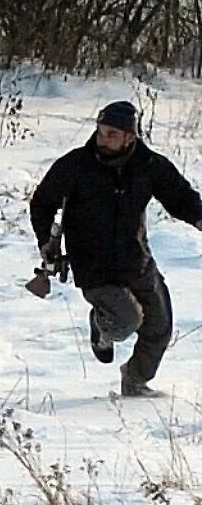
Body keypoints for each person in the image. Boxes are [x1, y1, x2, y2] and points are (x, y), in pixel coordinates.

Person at [30, 100, 202, 397]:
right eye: (100, 131)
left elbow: (180, 198)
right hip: (93, 266)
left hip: (136, 260)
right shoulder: (76, 165)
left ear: (129, 137)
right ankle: (102, 324)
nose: (103, 139)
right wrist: (46, 239)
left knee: (159, 327)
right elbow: (43, 202)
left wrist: (199, 217)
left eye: (111, 134)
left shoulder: (149, 166)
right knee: (127, 320)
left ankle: (135, 382)